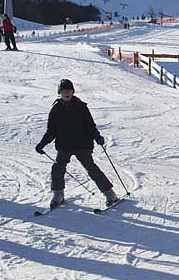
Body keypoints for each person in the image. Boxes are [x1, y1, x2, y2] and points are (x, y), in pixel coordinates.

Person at [35, 79, 119, 208]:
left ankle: (110, 194)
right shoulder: (56, 109)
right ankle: (58, 196)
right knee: (57, 168)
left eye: (68, 91)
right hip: (64, 145)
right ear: (60, 93)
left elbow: (90, 125)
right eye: (63, 91)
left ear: (73, 92)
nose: (66, 94)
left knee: (91, 168)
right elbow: (51, 131)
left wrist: (97, 136)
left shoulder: (81, 107)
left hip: (82, 144)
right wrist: (42, 143)